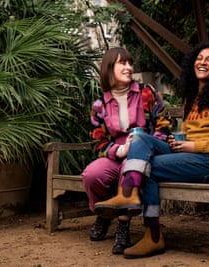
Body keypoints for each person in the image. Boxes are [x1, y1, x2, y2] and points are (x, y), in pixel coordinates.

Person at [94, 42, 209, 258]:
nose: (203, 62)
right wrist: (179, 142)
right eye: (200, 58)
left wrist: (194, 145)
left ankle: (152, 233)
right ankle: (128, 195)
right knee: (140, 139)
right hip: (190, 156)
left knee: (147, 168)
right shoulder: (194, 96)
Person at [81, 47, 173, 255]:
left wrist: (145, 143)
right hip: (117, 153)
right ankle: (104, 214)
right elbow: (97, 142)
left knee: (130, 169)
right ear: (109, 68)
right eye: (123, 63)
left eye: (130, 63)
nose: (129, 67)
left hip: (143, 152)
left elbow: (164, 123)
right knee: (91, 175)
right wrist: (120, 149)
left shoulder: (145, 92)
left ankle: (123, 226)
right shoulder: (99, 105)